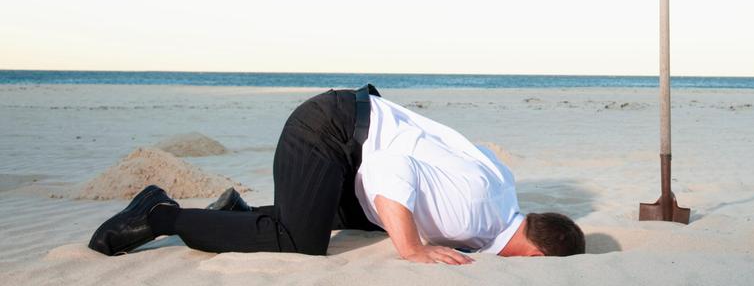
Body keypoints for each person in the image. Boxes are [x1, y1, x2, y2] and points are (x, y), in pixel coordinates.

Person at [89, 85, 585, 263]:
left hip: (354, 133)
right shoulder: (473, 216)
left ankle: (236, 218)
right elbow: (392, 166)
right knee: (300, 240)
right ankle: (162, 215)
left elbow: (464, 151)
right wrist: (410, 247)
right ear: (538, 255)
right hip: (329, 131)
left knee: (370, 218)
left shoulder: (501, 191)